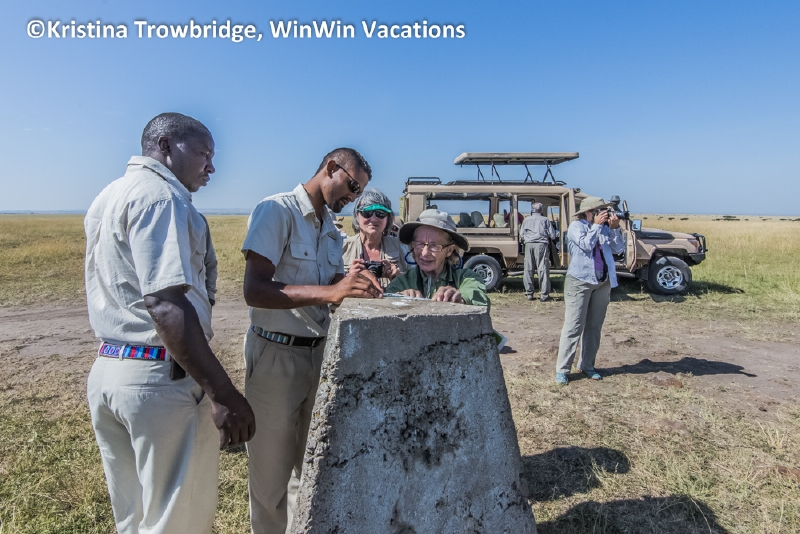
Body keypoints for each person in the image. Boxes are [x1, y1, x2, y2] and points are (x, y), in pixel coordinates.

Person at [84, 112, 255, 533]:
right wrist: (224, 393)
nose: (211, 167)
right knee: (177, 521)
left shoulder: (108, 195)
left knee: (135, 517)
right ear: (165, 146)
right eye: (203, 154)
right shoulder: (162, 198)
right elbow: (163, 303)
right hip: (158, 380)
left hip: (110, 369)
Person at [241, 147, 382, 534]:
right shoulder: (277, 211)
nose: (353, 197)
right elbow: (255, 290)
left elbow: (328, 287)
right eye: (352, 186)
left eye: (358, 192)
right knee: (270, 479)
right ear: (331, 168)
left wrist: (353, 286)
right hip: (275, 356)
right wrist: (333, 291)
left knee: (313, 468)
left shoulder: (330, 229)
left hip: (319, 356)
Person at [555, 197, 625, 385]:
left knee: (594, 327)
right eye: (600, 210)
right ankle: (562, 370)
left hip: (602, 282)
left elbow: (618, 248)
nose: (604, 214)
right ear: (588, 212)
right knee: (574, 326)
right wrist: (596, 226)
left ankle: (587, 365)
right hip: (580, 282)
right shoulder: (576, 227)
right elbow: (586, 245)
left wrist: (615, 229)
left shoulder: (604, 228)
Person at [385, 209, 489, 307]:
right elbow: (385, 302)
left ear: (449, 250)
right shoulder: (402, 282)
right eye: (420, 244)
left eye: (434, 246)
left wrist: (460, 300)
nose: (424, 253)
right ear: (412, 246)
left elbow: (479, 298)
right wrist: (398, 300)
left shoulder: (466, 278)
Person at [342, 189, 408, 287]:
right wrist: (348, 278)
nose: (373, 219)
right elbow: (330, 285)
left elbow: (414, 283)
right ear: (357, 216)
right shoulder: (342, 248)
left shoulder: (401, 247)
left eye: (380, 213)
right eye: (367, 213)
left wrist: (398, 278)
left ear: (388, 218)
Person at [520, 202, 558, 302]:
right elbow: (553, 235)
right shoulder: (545, 220)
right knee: (542, 269)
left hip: (528, 245)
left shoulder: (526, 220)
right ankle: (544, 295)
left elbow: (521, 235)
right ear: (541, 210)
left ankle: (529, 293)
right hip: (541, 245)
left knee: (528, 269)